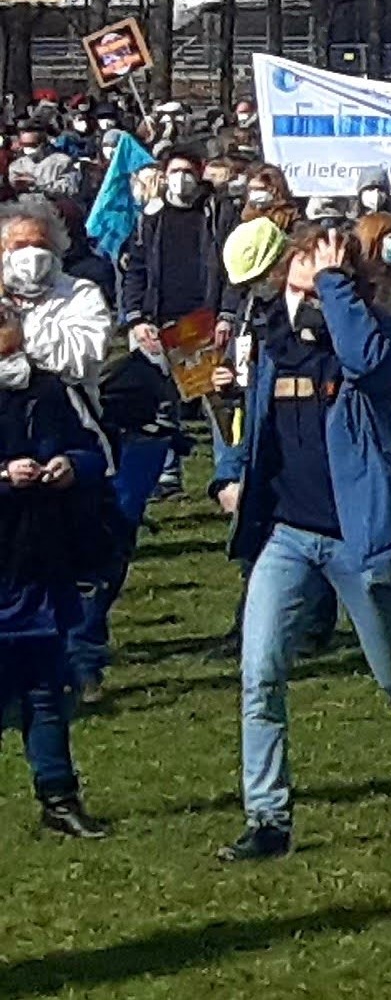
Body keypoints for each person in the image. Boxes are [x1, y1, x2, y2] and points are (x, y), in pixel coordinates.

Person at [213, 222, 391, 864]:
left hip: (357, 537)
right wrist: (230, 472)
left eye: (313, 256)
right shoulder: (275, 336)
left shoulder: (377, 327)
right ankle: (268, 819)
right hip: (287, 534)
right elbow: (255, 423)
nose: (298, 264)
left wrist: (335, 283)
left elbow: (367, 363)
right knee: (260, 676)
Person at [1, 274, 123, 838]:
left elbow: (98, 451)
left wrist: (72, 466)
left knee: (47, 691)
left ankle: (58, 797)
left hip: (42, 559)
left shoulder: (51, 389)